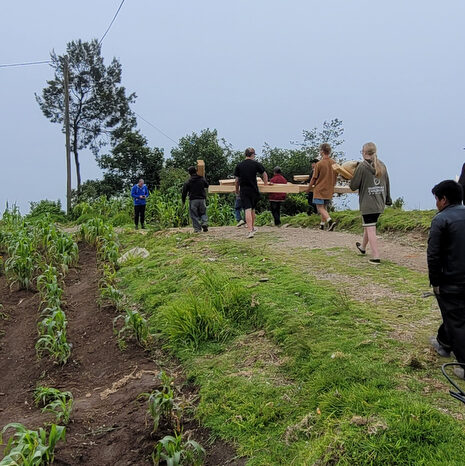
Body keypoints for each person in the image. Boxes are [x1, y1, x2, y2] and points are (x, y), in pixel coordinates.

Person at [427, 180, 465, 379]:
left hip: (452, 280)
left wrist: (435, 282)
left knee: (456, 320)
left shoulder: (441, 220)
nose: (436, 204)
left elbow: (433, 255)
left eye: (436, 199)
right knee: (454, 315)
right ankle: (443, 343)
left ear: (443, 199)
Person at [349, 142, 391, 264]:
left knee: (371, 228)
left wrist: (349, 177)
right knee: (369, 225)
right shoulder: (382, 165)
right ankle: (362, 247)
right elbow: (387, 183)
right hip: (380, 202)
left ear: (364, 152)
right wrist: (388, 199)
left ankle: (376, 256)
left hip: (368, 204)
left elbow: (353, 186)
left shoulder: (362, 167)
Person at [234, 147, 268, 238]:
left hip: (244, 190)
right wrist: (265, 185)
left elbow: (237, 180)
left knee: (247, 209)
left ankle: (250, 230)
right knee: (252, 209)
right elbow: (264, 174)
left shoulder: (239, 165)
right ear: (252, 155)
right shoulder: (256, 164)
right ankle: (252, 228)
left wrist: (237, 190)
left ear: (245, 154)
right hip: (254, 190)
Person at [307, 143, 337, 230]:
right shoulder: (334, 163)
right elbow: (336, 176)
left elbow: (314, 178)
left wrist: (309, 188)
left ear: (322, 151)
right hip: (329, 188)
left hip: (320, 188)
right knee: (324, 207)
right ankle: (322, 224)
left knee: (319, 207)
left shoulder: (319, 164)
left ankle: (330, 221)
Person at [182, 166, 209, 233]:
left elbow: (184, 192)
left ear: (189, 173)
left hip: (193, 200)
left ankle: (197, 229)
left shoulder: (188, 181)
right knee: (203, 212)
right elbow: (207, 185)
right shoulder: (201, 179)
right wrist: (203, 176)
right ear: (196, 171)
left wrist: (183, 201)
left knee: (194, 215)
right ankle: (204, 222)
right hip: (202, 199)